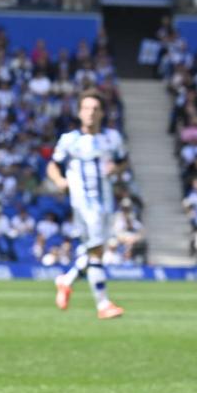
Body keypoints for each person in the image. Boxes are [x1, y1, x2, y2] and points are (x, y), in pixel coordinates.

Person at [47, 89, 127, 319]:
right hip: (83, 203)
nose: (90, 113)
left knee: (94, 251)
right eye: (86, 108)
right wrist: (59, 180)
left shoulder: (112, 138)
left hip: (106, 201)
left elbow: (123, 161)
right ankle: (103, 305)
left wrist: (116, 169)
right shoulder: (69, 140)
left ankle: (66, 280)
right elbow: (52, 165)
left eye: (95, 109)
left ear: (102, 113)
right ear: (79, 112)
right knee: (96, 251)